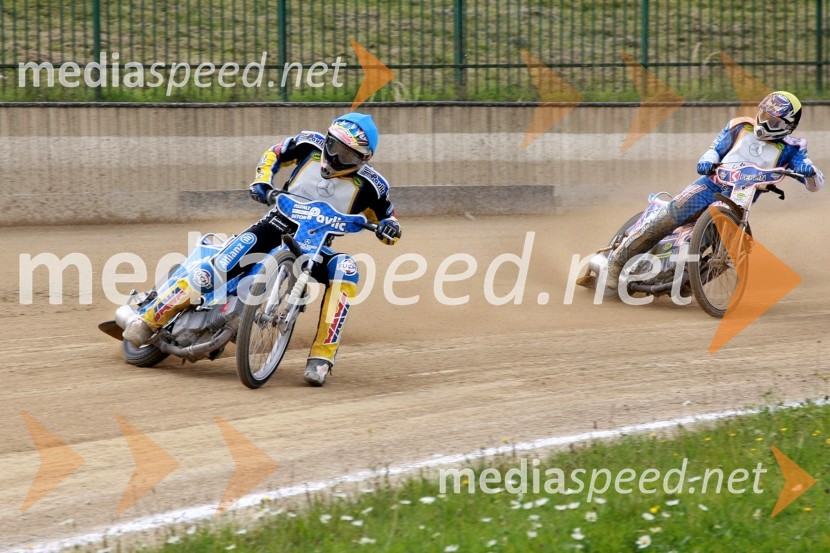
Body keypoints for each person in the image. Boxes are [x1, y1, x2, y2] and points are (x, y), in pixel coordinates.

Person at [123, 112, 402, 386]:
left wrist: (390, 229)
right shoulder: (308, 143)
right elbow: (274, 153)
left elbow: (390, 222)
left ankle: (322, 357)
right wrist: (262, 182)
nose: (336, 158)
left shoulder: (373, 187)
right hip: (275, 224)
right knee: (218, 268)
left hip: (315, 247)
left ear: (363, 159)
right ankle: (150, 318)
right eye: (334, 147)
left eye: (348, 155)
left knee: (347, 268)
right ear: (327, 138)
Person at [604, 91, 824, 296]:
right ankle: (616, 262)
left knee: (724, 242)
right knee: (672, 215)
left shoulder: (794, 148)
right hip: (710, 186)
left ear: (788, 125)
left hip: (739, 199)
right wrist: (708, 159)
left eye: (773, 120)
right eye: (763, 114)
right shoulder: (740, 126)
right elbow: (715, 148)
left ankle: (686, 278)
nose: (764, 122)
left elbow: (815, 183)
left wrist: (809, 172)